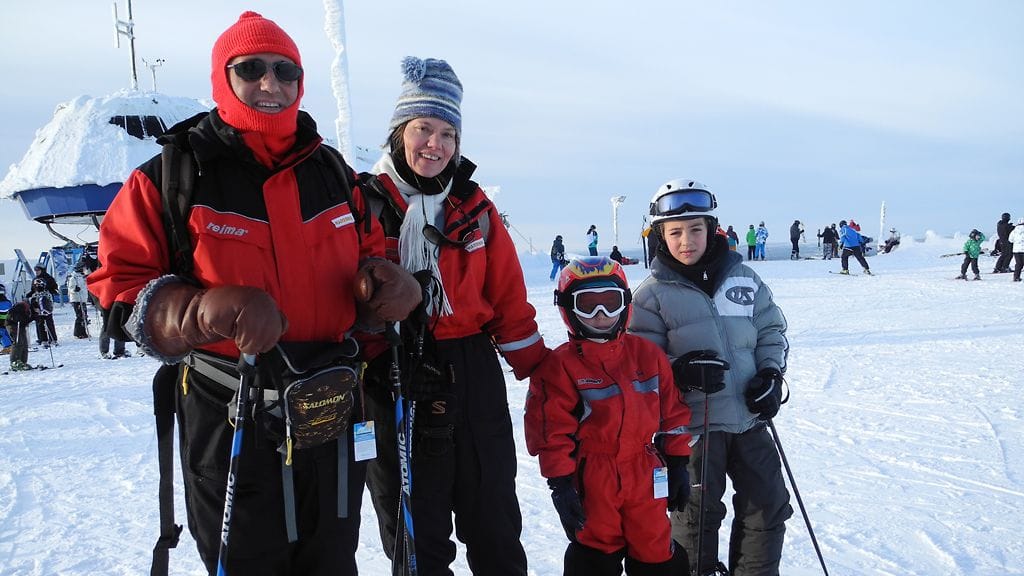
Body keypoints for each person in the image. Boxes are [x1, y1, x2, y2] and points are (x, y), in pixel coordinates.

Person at [87, 12, 421, 575]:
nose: (271, 84)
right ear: (224, 78)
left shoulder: (334, 172)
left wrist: (385, 286)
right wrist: (196, 313)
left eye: (285, 71)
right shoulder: (173, 173)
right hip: (231, 419)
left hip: (332, 412)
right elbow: (119, 287)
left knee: (332, 563)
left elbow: (371, 250)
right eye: (252, 69)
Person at [358, 56, 548, 576]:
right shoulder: (364, 202)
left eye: (447, 133)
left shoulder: (474, 207)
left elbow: (507, 296)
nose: (434, 145)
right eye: (424, 129)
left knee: (494, 519)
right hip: (394, 371)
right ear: (400, 132)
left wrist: (544, 369)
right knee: (416, 532)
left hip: (471, 372)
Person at [628, 178, 792, 576]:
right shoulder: (651, 296)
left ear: (711, 228)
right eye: (676, 232)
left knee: (768, 505)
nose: (687, 240)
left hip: (750, 420)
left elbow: (772, 331)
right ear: (660, 237)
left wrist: (771, 374)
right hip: (693, 429)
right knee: (695, 519)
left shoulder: (745, 279)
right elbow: (638, 365)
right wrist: (678, 372)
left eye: (696, 229)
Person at [525, 257, 691, 575]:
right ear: (568, 309)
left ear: (625, 304)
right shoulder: (559, 367)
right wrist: (560, 484)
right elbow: (550, 432)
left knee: (655, 545)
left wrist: (679, 461)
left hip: (645, 470)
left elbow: (674, 414)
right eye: (587, 305)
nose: (600, 316)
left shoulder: (647, 355)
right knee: (596, 548)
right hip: (593, 476)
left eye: (609, 303)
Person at [28, 278, 57, 347]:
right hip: (39, 313)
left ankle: (53, 339)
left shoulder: (47, 293)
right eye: (36, 285)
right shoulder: (34, 294)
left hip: (47, 312)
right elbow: (32, 304)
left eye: (39, 285)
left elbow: (50, 303)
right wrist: (34, 308)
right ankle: (43, 340)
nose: (37, 286)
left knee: (50, 325)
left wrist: (48, 310)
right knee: (40, 326)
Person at [5, 299, 32, 371]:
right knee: (18, 343)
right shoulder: (19, 308)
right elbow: (18, 319)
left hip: (21, 326)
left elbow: (26, 320)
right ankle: (15, 362)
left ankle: (23, 361)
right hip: (13, 325)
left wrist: (33, 318)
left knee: (24, 344)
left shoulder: (29, 308)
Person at [66, 264, 90, 339]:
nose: (84, 270)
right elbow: (70, 288)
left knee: (84, 315)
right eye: (83, 268)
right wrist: (75, 289)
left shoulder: (82, 277)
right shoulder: (74, 277)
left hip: (82, 299)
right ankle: (77, 333)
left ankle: (83, 331)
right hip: (76, 299)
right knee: (80, 315)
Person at [1009, 217, 1024, 282]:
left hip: (1016, 250)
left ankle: (1016, 277)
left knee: (1018, 264)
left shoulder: (1014, 231)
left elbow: (1010, 240)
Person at [0, 284, 12, 354]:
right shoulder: (8, 301)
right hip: (8, 320)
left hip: (1, 320)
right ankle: (10, 345)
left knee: (1, 333)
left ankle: (7, 346)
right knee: (5, 332)